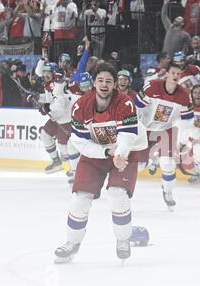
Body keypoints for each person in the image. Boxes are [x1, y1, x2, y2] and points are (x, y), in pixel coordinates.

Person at [54, 63, 144, 263]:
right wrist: (106, 151)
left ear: (114, 85)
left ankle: (123, 239)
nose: (104, 84)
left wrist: (119, 154)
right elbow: (79, 142)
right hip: (97, 153)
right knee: (80, 198)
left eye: (109, 81)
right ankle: (72, 242)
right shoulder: (80, 106)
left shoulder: (125, 103)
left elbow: (127, 136)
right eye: (101, 80)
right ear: (94, 83)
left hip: (124, 154)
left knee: (117, 194)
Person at [134, 63, 192, 210]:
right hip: (145, 129)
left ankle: (168, 192)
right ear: (167, 74)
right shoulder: (152, 87)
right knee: (139, 167)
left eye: (178, 74)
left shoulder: (184, 95)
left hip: (166, 130)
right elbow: (136, 107)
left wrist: (183, 140)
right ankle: (151, 159)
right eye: (173, 73)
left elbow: (187, 120)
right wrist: (134, 129)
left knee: (167, 164)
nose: (175, 76)